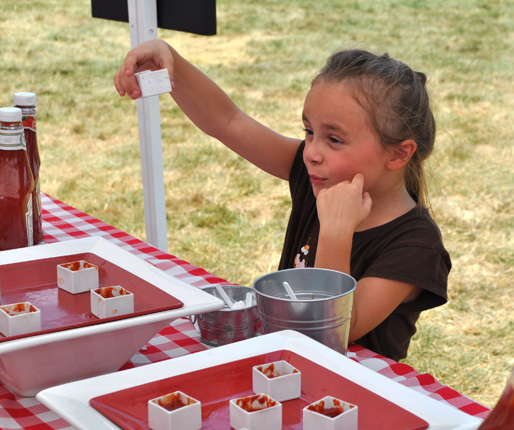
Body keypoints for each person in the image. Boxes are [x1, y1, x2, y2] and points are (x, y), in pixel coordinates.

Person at [114, 41, 451, 361]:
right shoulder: (317, 176)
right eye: (309, 131)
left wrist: (336, 232)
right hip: (284, 369)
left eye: (334, 139)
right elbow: (228, 122)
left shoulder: (416, 245)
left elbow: (335, 332)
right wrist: (170, 59)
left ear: (399, 153)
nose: (312, 152)